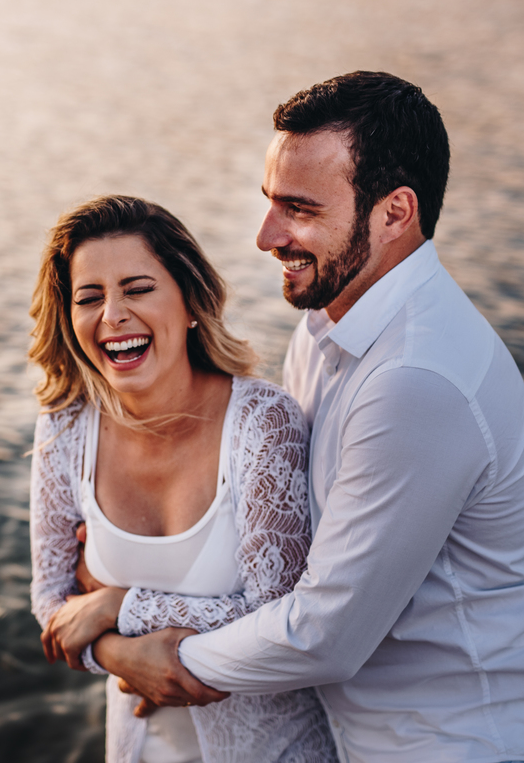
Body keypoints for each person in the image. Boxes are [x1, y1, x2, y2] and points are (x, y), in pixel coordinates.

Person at [88, 73, 524, 762]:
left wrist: (155, 654)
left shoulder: (416, 380)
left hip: (472, 743)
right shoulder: (325, 329)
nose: (267, 236)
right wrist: (134, 566)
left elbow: (323, 634)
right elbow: (286, 537)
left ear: (395, 213)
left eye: (299, 209)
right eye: (270, 202)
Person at [27, 195, 338, 763]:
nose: (113, 315)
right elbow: (52, 602)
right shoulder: (66, 425)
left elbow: (280, 620)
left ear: (190, 302)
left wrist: (118, 606)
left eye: (138, 289)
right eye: (89, 297)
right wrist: (122, 657)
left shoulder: (263, 421)